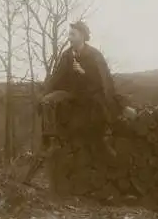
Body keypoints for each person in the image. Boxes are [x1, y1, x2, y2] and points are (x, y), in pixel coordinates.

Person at [39, 20, 120, 149]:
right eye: (69, 35)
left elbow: (104, 80)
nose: (69, 38)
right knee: (47, 101)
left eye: (72, 35)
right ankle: (50, 141)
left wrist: (83, 72)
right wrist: (44, 94)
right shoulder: (67, 55)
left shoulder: (94, 55)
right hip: (71, 93)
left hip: (91, 94)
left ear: (82, 36)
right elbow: (56, 77)